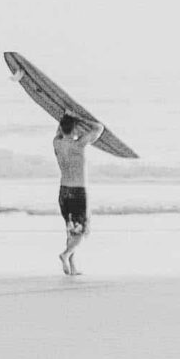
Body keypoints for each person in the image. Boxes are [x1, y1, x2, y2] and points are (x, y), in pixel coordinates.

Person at [52, 109, 103, 275]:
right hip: (78, 192)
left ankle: (72, 266)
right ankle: (65, 254)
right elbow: (99, 127)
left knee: (71, 228)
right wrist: (79, 117)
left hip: (63, 192)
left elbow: (60, 131)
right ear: (75, 129)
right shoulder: (79, 144)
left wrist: (65, 118)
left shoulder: (56, 143)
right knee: (82, 231)